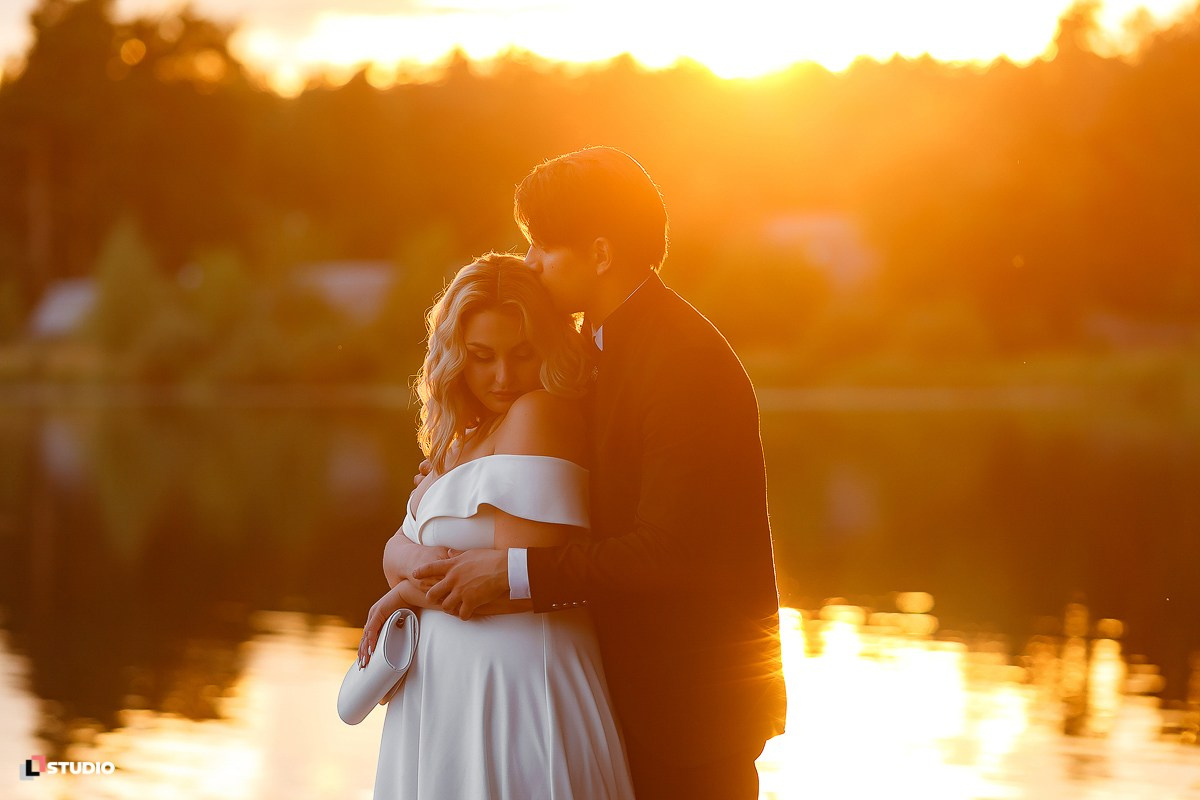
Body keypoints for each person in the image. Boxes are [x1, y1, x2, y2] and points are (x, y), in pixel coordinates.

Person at [413, 146, 787, 799]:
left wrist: (514, 571)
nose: (529, 262)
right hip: (613, 697)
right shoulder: (596, 350)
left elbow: (674, 550)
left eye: (543, 247)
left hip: (688, 713)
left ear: (602, 253)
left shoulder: (682, 359)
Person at [359, 253, 635, 799]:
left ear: (550, 348)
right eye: (482, 357)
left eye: (523, 354)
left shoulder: (541, 413)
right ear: (456, 356)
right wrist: (411, 575)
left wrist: (406, 592)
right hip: (450, 691)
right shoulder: (463, 436)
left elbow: (512, 581)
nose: (503, 377)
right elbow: (396, 551)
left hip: (516, 686)